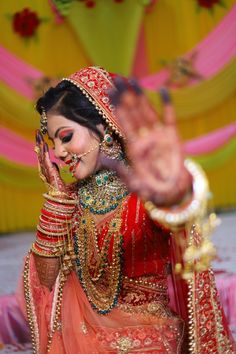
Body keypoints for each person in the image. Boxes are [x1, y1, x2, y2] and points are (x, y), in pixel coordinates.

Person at [22, 66, 235, 353]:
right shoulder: (68, 203)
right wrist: (57, 199)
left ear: (103, 126)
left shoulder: (144, 196)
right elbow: (45, 284)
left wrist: (170, 186)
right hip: (77, 341)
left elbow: (179, 215)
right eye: (53, 143)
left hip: (149, 342)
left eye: (66, 136)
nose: (58, 153)